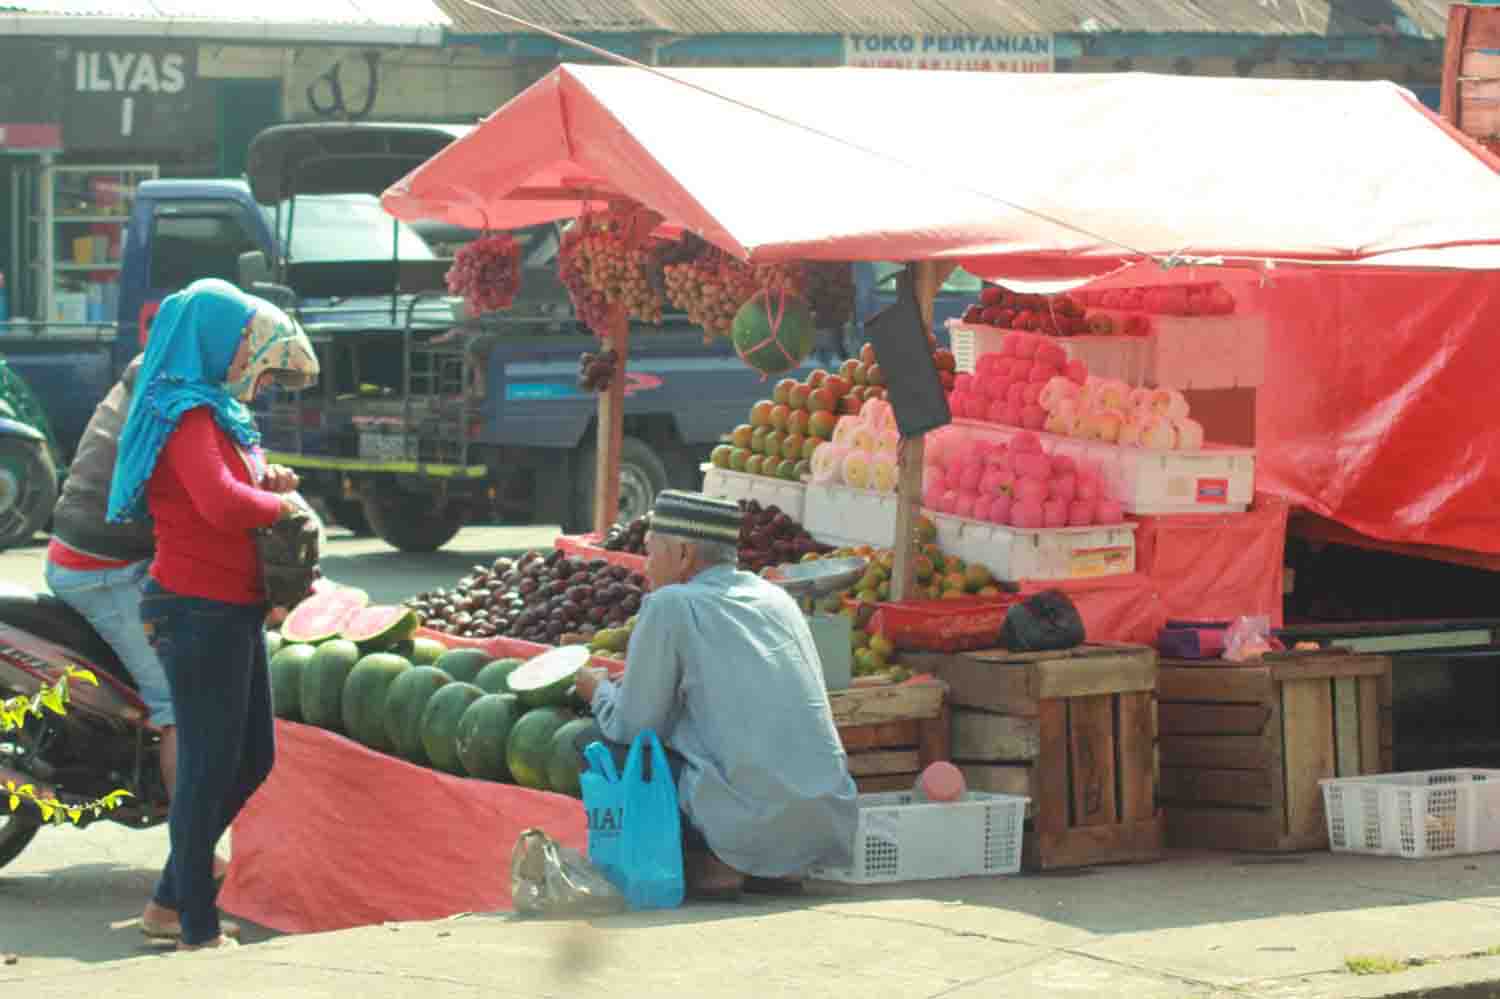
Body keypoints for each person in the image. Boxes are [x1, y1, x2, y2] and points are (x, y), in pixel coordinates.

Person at [106, 278, 319, 951]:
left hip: (230, 607)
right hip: (198, 610)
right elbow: (220, 503)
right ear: (211, 343)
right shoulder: (186, 414)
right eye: (240, 345)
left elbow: (234, 486)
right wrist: (278, 506)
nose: (245, 358)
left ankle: (174, 893)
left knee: (252, 756)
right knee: (204, 769)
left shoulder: (215, 413)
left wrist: (271, 481)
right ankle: (194, 925)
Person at [44, 357, 299, 886]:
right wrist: (274, 507)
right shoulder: (176, 401)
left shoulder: (177, 382)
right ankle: (194, 866)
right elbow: (210, 499)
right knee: (182, 706)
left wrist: (263, 481)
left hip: (118, 555)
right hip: (104, 568)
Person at [573, 490, 858, 899]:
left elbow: (633, 728)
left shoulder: (670, 604)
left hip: (746, 820)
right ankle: (777, 869)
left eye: (653, 552)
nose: (647, 567)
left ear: (686, 554)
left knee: (593, 745)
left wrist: (597, 690)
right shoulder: (777, 598)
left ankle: (714, 865)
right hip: (824, 819)